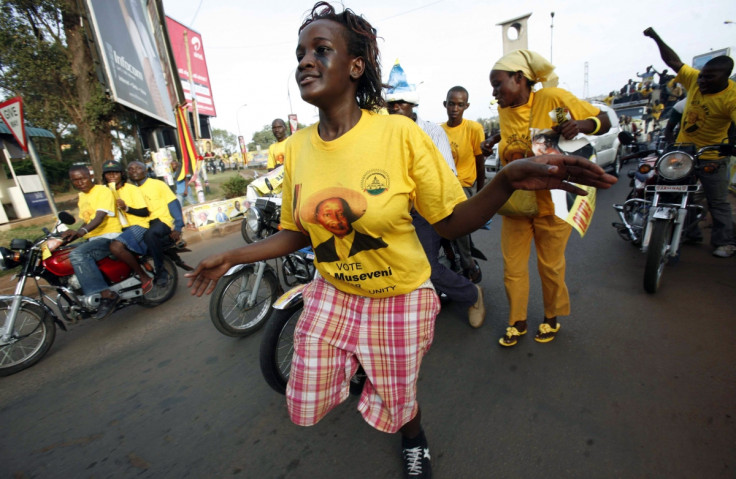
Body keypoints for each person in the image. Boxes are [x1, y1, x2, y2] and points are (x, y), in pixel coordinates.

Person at [185, 4, 616, 478]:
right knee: (304, 398)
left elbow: (451, 223)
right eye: (301, 53)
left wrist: (506, 180)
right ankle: (369, 374)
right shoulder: (297, 148)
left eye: (321, 50)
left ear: (355, 66)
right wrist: (230, 255)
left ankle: (414, 437)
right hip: (334, 294)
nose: (305, 61)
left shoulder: (400, 134)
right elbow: (295, 231)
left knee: (397, 397)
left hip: (400, 298)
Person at [482, 49, 611, 348]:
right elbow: (515, 132)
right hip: (516, 201)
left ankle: (551, 316)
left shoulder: (552, 101)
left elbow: (602, 120)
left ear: (519, 78)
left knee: (550, 266)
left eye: (497, 83)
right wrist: (493, 140)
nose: (494, 92)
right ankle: (517, 321)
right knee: (512, 266)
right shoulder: (504, 109)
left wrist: (580, 125)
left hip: (553, 201)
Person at [386, 87, 485, 328]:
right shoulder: (383, 133)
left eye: (402, 103)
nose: (397, 107)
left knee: (428, 266)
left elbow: (446, 173)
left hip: (426, 208)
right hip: (395, 209)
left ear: (412, 106)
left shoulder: (432, 131)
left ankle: (472, 294)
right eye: (392, 104)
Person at [644, 27, 736, 257]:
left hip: (713, 155)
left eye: (709, 78)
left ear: (725, 78)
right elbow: (674, 61)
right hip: (683, 151)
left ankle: (725, 242)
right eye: (702, 75)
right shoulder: (695, 80)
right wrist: (656, 37)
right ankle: (686, 232)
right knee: (672, 193)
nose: (702, 80)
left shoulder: (732, 97)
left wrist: (731, 144)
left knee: (718, 201)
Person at [62, 165, 123, 320]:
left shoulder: (102, 191)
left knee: (77, 254)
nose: (80, 182)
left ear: (90, 177)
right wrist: (72, 235)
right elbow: (87, 221)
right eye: (75, 180)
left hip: (109, 236)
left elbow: (99, 218)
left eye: (82, 178)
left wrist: (81, 232)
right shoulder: (82, 197)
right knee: (64, 254)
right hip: (93, 237)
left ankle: (107, 295)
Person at [440, 86, 486, 282]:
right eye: (451, 103)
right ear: (445, 104)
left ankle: (468, 263)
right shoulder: (438, 130)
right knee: (437, 226)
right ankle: (451, 257)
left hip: (464, 187)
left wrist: (481, 192)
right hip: (442, 187)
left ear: (466, 106)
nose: (455, 108)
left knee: (459, 228)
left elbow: (480, 161)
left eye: (459, 105)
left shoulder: (473, 129)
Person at [127, 161, 184, 287]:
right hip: (141, 223)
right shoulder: (129, 189)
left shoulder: (158, 185)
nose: (134, 171)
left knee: (150, 236)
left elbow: (173, 204)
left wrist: (178, 227)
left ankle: (161, 271)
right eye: (130, 169)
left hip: (160, 221)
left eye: (138, 168)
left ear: (146, 171)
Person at [102, 161, 153, 293]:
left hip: (138, 224)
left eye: (115, 172)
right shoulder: (105, 192)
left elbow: (144, 212)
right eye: (108, 173)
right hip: (116, 228)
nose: (112, 175)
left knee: (116, 247)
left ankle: (144, 276)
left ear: (122, 174)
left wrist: (126, 208)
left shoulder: (132, 189)